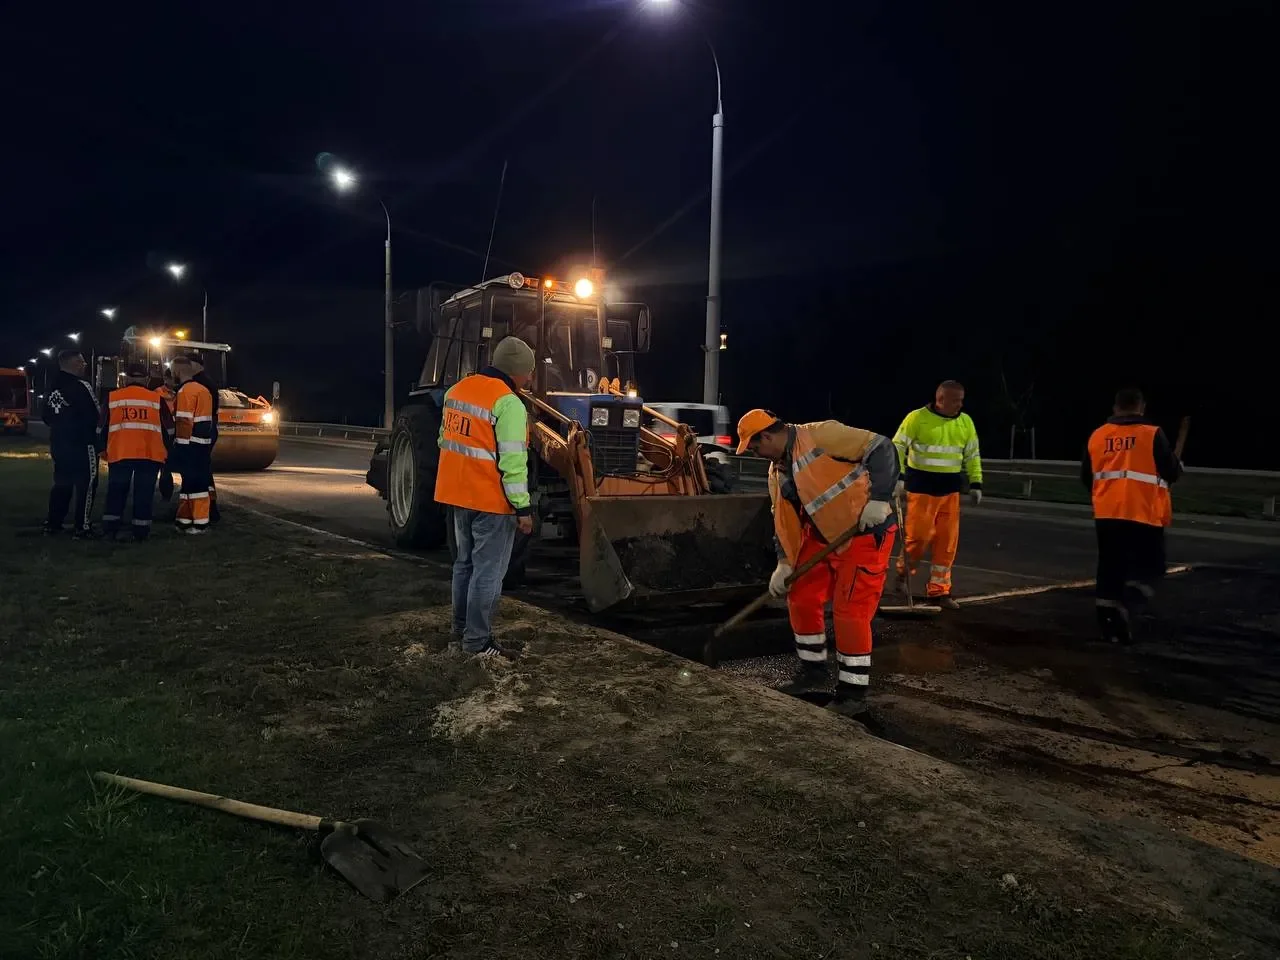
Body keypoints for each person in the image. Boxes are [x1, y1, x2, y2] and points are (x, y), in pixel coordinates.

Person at [736, 409, 899, 718]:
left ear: (767, 436)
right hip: (823, 535)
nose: (755, 453)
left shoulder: (822, 434)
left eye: (755, 447)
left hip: (863, 533)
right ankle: (812, 672)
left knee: (849, 612)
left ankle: (852, 693)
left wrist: (879, 498)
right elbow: (784, 522)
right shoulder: (776, 471)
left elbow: (882, 448)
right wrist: (784, 564)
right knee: (801, 595)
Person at [434, 336, 535, 660]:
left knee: (463, 565)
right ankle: (477, 642)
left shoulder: (456, 392)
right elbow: (513, 462)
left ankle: (460, 631)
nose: (530, 378)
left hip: (456, 496)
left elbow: (444, 440)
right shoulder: (509, 404)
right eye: (528, 372)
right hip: (491, 502)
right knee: (488, 572)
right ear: (517, 371)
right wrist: (523, 508)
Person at [1081, 387, 1182, 643]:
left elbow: (1086, 476)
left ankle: (1107, 618)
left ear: (1116, 408)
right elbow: (1170, 472)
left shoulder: (1098, 436)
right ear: (1141, 407)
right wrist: (1176, 467)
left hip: (1107, 513)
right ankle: (1127, 604)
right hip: (1143, 512)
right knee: (1151, 567)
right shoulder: (1152, 434)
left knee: (1110, 565)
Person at [891, 380, 983, 609]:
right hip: (921, 490)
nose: (960, 405)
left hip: (950, 492)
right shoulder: (917, 418)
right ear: (940, 400)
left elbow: (972, 455)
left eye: (961, 400)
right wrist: (899, 476)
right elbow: (898, 446)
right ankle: (903, 574)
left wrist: (976, 483)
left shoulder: (965, 422)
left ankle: (940, 591)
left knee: (947, 543)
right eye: (955, 400)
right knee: (918, 539)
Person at [101, 364, 172, 541]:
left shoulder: (112, 398)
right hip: (149, 455)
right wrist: (168, 452)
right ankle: (141, 532)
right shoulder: (157, 400)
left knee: (116, 491)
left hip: (119, 452)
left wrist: (102, 449)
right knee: (144, 493)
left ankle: (110, 529)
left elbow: (100, 427)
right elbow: (169, 430)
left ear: (125, 379)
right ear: (147, 379)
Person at [42, 349, 103, 538]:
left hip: (59, 443)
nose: (85, 365)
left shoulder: (52, 386)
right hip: (83, 444)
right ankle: (82, 526)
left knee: (62, 483)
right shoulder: (81, 386)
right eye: (82, 362)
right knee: (87, 484)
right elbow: (95, 415)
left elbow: (46, 416)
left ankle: (53, 523)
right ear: (74, 364)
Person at [170, 354, 216, 534]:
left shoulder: (185, 392)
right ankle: (186, 521)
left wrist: (179, 447)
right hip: (202, 444)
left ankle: (198, 524)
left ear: (178, 371)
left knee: (192, 484)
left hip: (189, 444)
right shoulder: (203, 390)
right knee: (196, 483)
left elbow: (183, 422)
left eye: (173, 370)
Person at [186, 353, 221, 523]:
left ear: (194, 365)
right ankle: (209, 509)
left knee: (200, 473)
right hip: (206, 431)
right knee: (205, 472)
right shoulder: (207, 382)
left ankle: (205, 511)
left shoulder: (199, 385)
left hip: (200, 433)